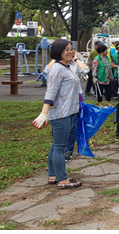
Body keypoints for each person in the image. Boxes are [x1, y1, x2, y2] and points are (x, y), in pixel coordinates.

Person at [32, 39, 82, 189]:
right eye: (66, 50)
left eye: (71, 49)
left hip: (68, 112)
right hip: (61, 114)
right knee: (61, 147)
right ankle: (62, 180)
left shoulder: (65, 67)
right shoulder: (57, 69)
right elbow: (51, 92)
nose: (70, 52)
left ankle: (53, 175)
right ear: (58, 52)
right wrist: (44, 113)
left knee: (56, 145)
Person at [92, 44, 113, 108]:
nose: (107, 51)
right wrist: (94, 77)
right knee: (100, 91)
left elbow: (109, 67)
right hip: (100, 77)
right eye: (105, 50)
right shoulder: (97, 59)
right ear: (101, 51)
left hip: (107, 78)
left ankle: (108, 102)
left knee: (108, 91)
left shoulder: (107, 58)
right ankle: (100, 103)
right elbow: (94, 68)